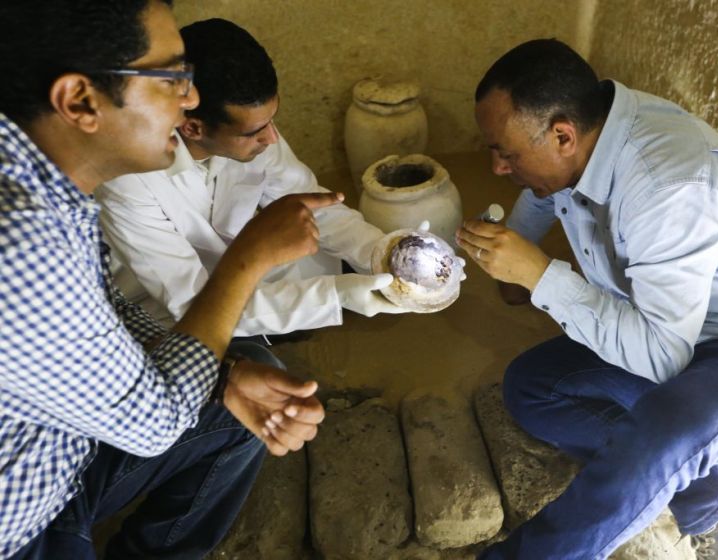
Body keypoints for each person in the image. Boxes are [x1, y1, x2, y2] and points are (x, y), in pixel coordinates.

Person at [456, 38, 718, 560]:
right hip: (680, 335)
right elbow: (545, 191)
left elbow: (662, 358)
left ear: (562, 135)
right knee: (532, 385)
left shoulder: (666, 183)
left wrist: (539, 275)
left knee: (664, 427)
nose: (498, 167)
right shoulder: (593, 132)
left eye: (507, 153)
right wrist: (510, 250)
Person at [0, 1, 343, 558]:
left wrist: (226, 375)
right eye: (172, 78)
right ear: (80, 100)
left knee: (240, 394)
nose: (189, 98)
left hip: (63, 446)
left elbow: (106, 311)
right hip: (24, 523)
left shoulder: (41, 185)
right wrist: (248, 259)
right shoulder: (22, 242)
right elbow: (155, 423)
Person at [97, 18, 411, 341]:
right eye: (255, 131)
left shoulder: (251, 129)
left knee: (327, 269)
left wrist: (385, 253)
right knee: (241, 357)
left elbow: (310, 202)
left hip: (242, 264)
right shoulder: (127, 179)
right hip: (168, 303)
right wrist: (335, 296)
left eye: (271, 120)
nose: (272, 138)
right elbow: (191, 302)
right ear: (192, 127)